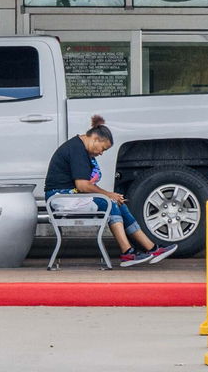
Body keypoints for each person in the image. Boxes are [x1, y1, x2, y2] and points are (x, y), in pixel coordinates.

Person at [44, 114, 177, 267]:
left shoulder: (81, 148)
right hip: (60, 198)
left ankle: (153, 249)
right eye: (103, 148)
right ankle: (127, 253)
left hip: (70, 197)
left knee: (119, 204)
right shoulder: (77, 150)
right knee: (110, 203)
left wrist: (111, 196)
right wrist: (109, 195)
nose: (101, 153)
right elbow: (82, 185)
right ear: (95, 139)